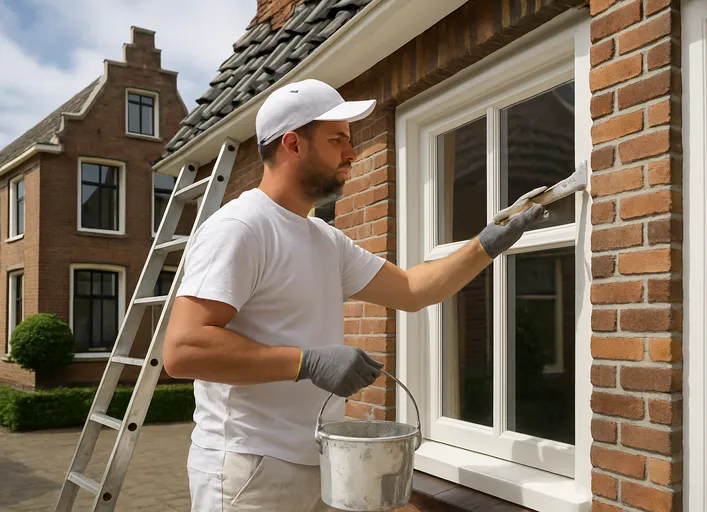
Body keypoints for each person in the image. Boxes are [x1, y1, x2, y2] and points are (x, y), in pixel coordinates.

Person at [163, 78, 545, 512]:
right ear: (293, 144)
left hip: (318, 461)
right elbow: (183, 348)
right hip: (249, 470)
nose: (352, 151)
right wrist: (308, 362)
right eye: (337, 139)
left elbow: (412, 290)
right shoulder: (242, 228)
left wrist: (485, 245)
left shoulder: (324, 238)